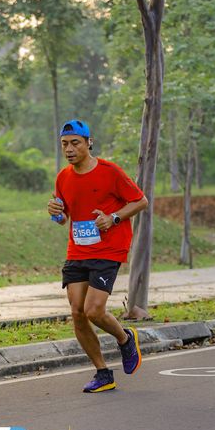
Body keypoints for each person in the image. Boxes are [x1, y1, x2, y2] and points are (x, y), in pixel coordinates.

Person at [47, 119, 149, 393]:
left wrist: (113, 218)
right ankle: (103, 373)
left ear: (89, 142)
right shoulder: (63, 177)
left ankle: (125, 338)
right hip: (78, 250)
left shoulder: (109, 171)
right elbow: (64, 218)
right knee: (77, 313)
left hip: (108, 249)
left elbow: (140, 201)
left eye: (75, 143)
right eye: (64, 144)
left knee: (94, 310)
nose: (69, 149)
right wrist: (56, 213)